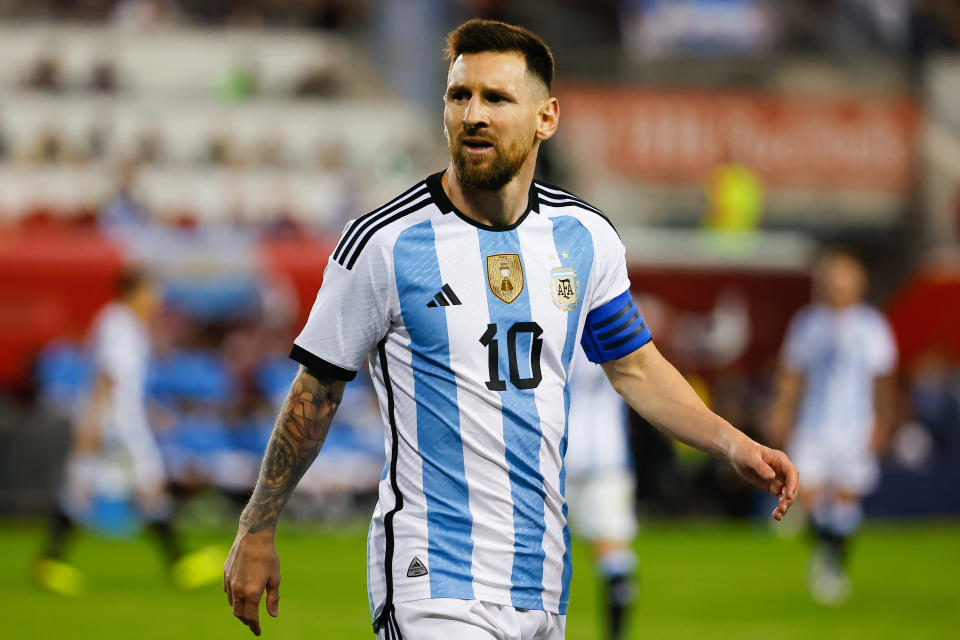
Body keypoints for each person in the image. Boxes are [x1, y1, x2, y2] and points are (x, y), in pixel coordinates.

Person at [224, 19, 799, 639]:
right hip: (432, 577)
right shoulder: (384, 243)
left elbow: (636, 367)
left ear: (545, 118)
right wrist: (256, 526)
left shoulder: (584, 238)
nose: (473, 114)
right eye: (459, 95)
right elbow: (317, 391)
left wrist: (736, 444)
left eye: (496, 98)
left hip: (542, 578)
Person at [33, 269, 221, 595]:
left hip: (117, 423)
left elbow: (123, 384)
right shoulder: (119, 326)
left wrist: (151, 411)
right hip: (115, 428)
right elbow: (107, 378)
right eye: (152, 292)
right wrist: (92, 424)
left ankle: (51, 558)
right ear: (135, 292)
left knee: (90, 486)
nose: (157, 301)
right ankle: (179, 561)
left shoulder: (125, 326)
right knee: (143, 484)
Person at [767, 247, 896, 605]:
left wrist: (883, 422)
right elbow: (792, 374)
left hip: (856, 426)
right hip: (814, 424)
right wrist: (781, 412)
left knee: (845, 499)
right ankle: (826, 551)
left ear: (859, 282)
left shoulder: (872, 326)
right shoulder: (808, 323)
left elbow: (883, 380)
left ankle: (831, 565)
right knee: (805, 494)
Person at [565, 348, 637, 640]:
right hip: (608, 452)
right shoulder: (617, 310)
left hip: (556, 449)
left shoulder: (544, 314)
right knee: (613, 552)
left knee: (539, 549)